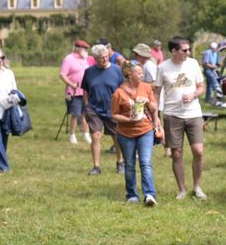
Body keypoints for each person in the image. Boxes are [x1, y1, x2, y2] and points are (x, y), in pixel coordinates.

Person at [154, 37, 207, 200]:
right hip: (172, 115)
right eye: (184, 50)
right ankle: (182, 189)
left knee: (198, 151)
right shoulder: (163, 67)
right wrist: (156, 116)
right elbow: (156, 92)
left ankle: (197, 187)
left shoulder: (192, 64)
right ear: (174, 51)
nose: (188, 53)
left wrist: (193, 94)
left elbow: (202, 87)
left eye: (188, 49)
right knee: (176, 154)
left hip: (193, 114)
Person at [111, 62, 163, 206]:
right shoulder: (118, 93)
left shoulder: (146, 87)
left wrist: (148, 102)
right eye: (139, 72)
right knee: (129, 165)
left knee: (145, 163)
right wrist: (128, 119)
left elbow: (154, 108)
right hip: (125, 133)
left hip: (145, 130)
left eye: (142, 72)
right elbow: (114, 115)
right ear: (129, 74)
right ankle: (132, 195)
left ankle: (149, 195)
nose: (142, 75)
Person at [81, 44, 124, 175]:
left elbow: (123, 89)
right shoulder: (89, 72)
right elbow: (85, 90)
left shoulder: (117, 70)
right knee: (95, 136)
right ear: (95, 59)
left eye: (106, 56)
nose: (105, 59)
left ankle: (120, 162)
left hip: (113, 109)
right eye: (102, 58)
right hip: (94, 109)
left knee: (116, 137)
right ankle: (96, 166)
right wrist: (87, 106)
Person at [59, 39, 93, 145]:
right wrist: (71, 84)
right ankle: (72, 135)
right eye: (84, 48)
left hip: (85, 91)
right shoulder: (69, 59)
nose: (86, 50)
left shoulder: (85, 59)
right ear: (78, 49)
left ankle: (86, 134)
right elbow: (62, 74)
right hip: (74, 91)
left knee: (84, 113)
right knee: (75, 113)